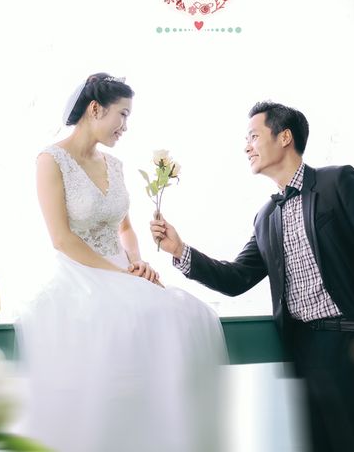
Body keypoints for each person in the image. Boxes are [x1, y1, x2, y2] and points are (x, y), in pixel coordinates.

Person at [151, 101, 354, 452]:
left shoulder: (338, 182)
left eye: (254, 136)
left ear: (284, 137)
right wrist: (180, 250)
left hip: (351, 341)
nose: (246, 147)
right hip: (304, 348)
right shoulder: (266, 216)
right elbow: (237, 277)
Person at [15, 73, 226, 452]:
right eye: (123, 114)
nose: (126, 126)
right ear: (95, 109)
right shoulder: (50, 160)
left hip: (122, 270)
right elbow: (61, 238)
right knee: (115, 329)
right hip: (78, 273)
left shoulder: (114, 164)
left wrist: (137, 262)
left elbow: (125, 227)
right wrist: (122, 275)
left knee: (187, 314)